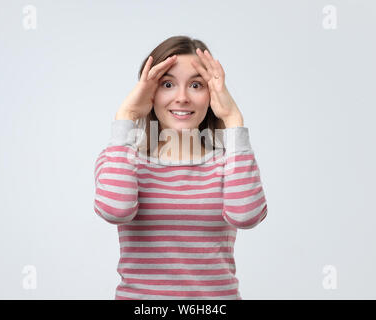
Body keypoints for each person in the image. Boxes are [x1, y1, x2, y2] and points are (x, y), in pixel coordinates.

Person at [94, 35, 268, 300]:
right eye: (167, 84)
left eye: (196, 85)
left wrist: (233, 119)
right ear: (149, 92)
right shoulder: (121, 157)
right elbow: (115, 210)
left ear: (211, 94)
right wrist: (127, 116)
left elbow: (247, 216)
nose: (182, 97)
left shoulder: (230, 161)